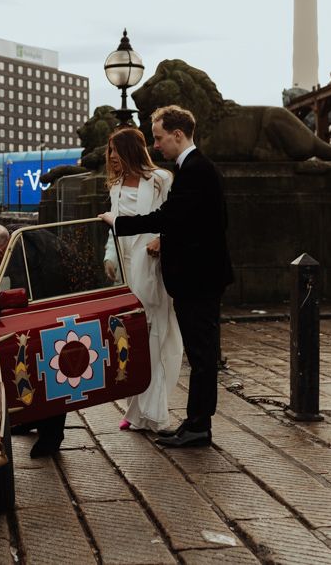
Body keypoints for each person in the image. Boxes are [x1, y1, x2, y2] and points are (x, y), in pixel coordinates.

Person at [101, 106, 233, 448]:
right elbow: (191, 222)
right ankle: (193, 422)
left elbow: (168, 217)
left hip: (198, 279)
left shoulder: (195, 170)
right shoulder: (193, 168)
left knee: (201, 357)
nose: (155, 145)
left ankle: (198, 427)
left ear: (178, 134)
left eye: (159, 137)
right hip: (197, 276)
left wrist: (119, 224)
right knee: (200, 355)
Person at [102, 127, 183, 433]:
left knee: (156, 336)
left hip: (154, 267)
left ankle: (155, 411)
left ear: (130, 150)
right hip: (128, 271)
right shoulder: (116, 187)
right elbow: (116, 226)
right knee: (134, 339)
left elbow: (174, 217)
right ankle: (138, 411)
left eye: (115, 150)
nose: (111, 157)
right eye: (109, 151)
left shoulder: (161, 179)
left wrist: (162, 240)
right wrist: (109, 257)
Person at [0, 223, 67, 458]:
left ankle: (52, 435)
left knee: (50, 371)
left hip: (56, 312)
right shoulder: (12, 241)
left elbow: (28, 298)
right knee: (31, 369)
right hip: (41, 304)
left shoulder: (40, 259)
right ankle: (31, 419)